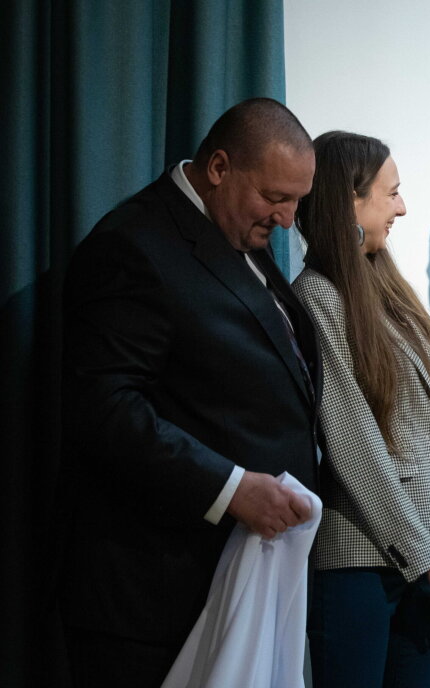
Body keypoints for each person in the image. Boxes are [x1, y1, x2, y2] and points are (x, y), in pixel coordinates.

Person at [60, 98, 320, 687]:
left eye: (296, 202)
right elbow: (103, 408)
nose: (287, 220)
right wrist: (230, 489)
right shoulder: (132, 244)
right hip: (152, 596)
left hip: (239, 583)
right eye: (275, 197)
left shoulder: (236, 231)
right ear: (220, 168)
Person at [292, 131, 430, 688]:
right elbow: (353, 445)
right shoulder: (316, 298)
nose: (401, 207)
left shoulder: (390, 293)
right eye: (392, 193)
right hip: (358, 563)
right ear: (348, 201)